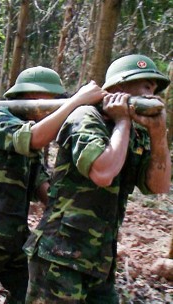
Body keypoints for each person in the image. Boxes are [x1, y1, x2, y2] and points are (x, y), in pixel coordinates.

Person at [0, 66, 106, 304]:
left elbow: (43, 187)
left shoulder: (33, 134)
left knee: (28, 295)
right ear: (33, 97)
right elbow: (32, 138)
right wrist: (76, 101)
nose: (57, 106)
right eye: (53, 101)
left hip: (14, 237)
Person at [23, 54, 171, 303]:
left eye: (154, 88)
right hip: (60, 256)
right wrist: (123, 120)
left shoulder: (137, 132)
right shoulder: (86, 117)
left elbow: (158, 186)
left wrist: (158, 136)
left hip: (100, 261)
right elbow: (102, 172)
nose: (152, 94)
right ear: (119, 89)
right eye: (146, 85)